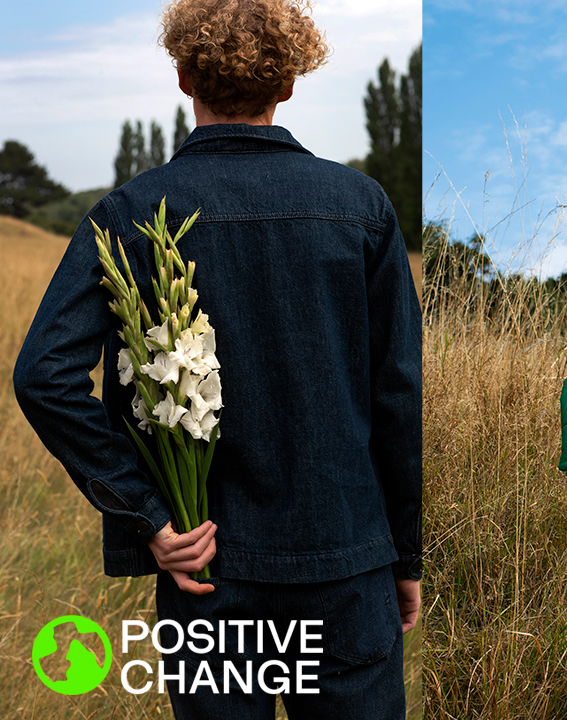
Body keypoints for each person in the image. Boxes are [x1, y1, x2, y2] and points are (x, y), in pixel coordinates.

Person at [12, 0, 422, 717]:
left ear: (181, 75)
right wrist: (406, 556)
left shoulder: (130, 214)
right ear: (289, 83)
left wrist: (148, 518)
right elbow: (398, 396)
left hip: (206, 571)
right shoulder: (361, 207)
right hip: (348, 564)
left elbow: (43, 375)